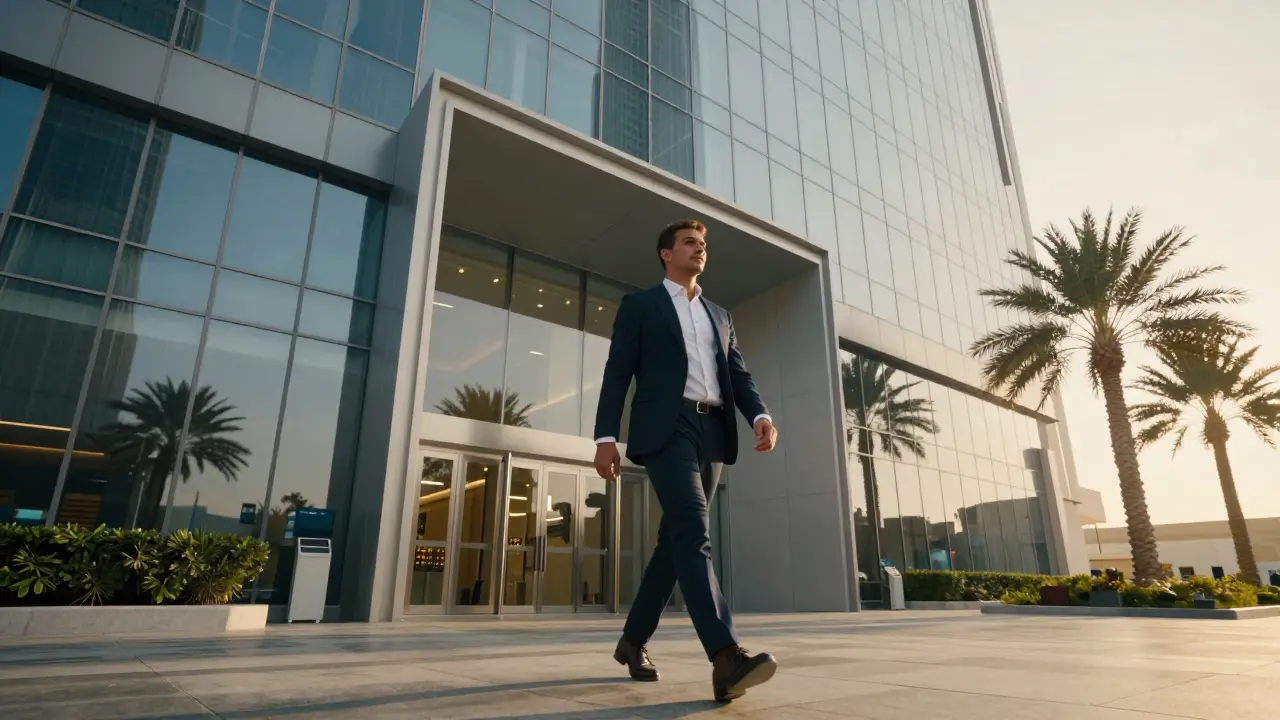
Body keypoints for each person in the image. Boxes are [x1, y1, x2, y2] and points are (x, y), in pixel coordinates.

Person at [593, 219, 779, 702]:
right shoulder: (642, 305)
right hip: (666, 428)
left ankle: (633, 642)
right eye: (689, 244)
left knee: (675, 545)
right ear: (665, 254)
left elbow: (737, 372)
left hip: (712, 431)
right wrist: (606, 437)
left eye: (703, 245)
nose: (699, 250)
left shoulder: (720, 313)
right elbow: (618, 373)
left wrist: (758, 413)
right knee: (694, 532)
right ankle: (726, 657)